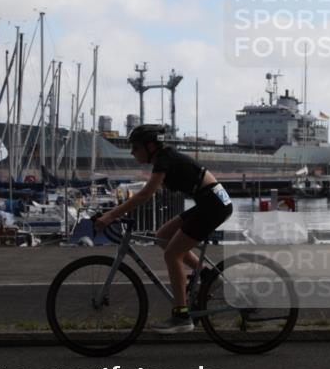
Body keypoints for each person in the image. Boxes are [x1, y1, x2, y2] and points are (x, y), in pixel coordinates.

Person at [93, 124, 233, 333]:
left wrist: (111, 215)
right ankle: (207, 275)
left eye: (135, 148)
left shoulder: (163, 160)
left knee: (172, 255)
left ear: (150, 147)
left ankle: (181, 315)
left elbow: (144, 195)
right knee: (163, 236)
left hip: (213, 205)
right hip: (210, 202)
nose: (132, 152)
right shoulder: (164, 157)